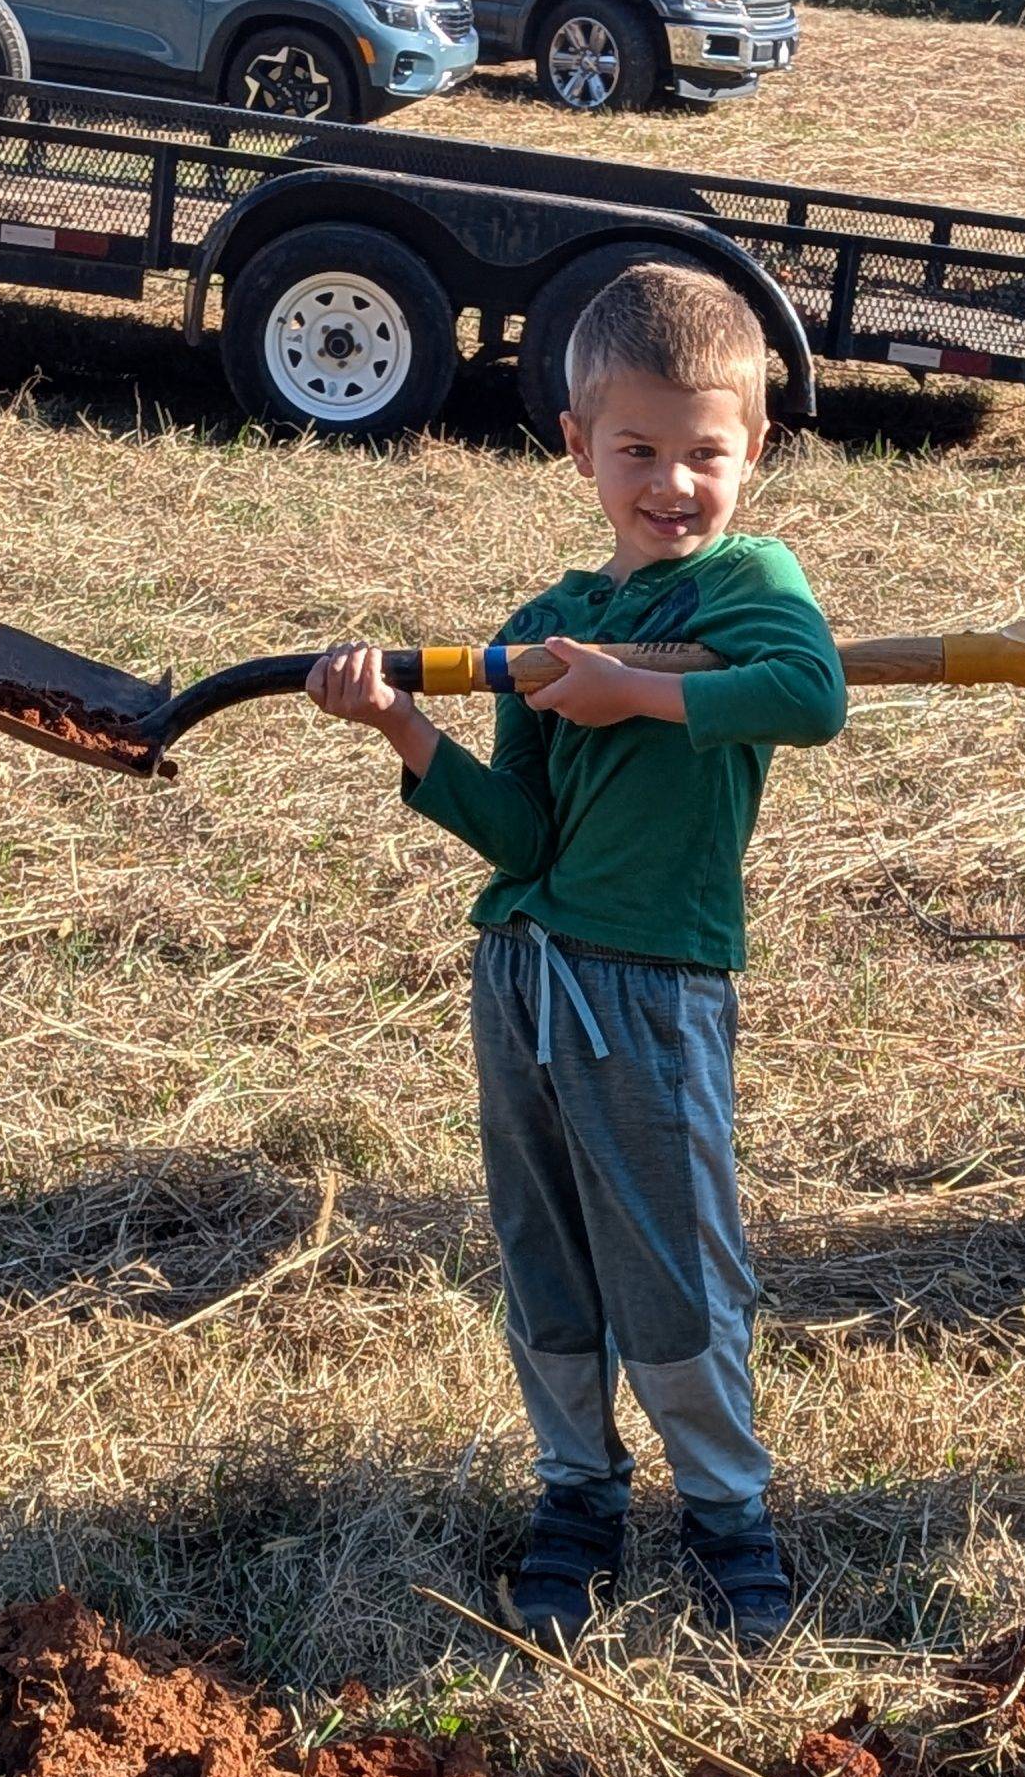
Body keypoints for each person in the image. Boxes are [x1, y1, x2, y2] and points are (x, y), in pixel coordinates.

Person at [308, 263, 846, 1651]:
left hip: (654, 985)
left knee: (672, 1262)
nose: (674, 483)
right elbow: (522, 833)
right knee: (545, 1252)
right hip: (523, 974)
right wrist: (405, 734)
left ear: (756, 450)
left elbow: (812, 695)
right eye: (640, 452)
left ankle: (726, 1513)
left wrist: (640, 692)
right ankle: (577, 1494)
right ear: (577, 447)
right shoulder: (541, 624)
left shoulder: (750, 582)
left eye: (705, 453)